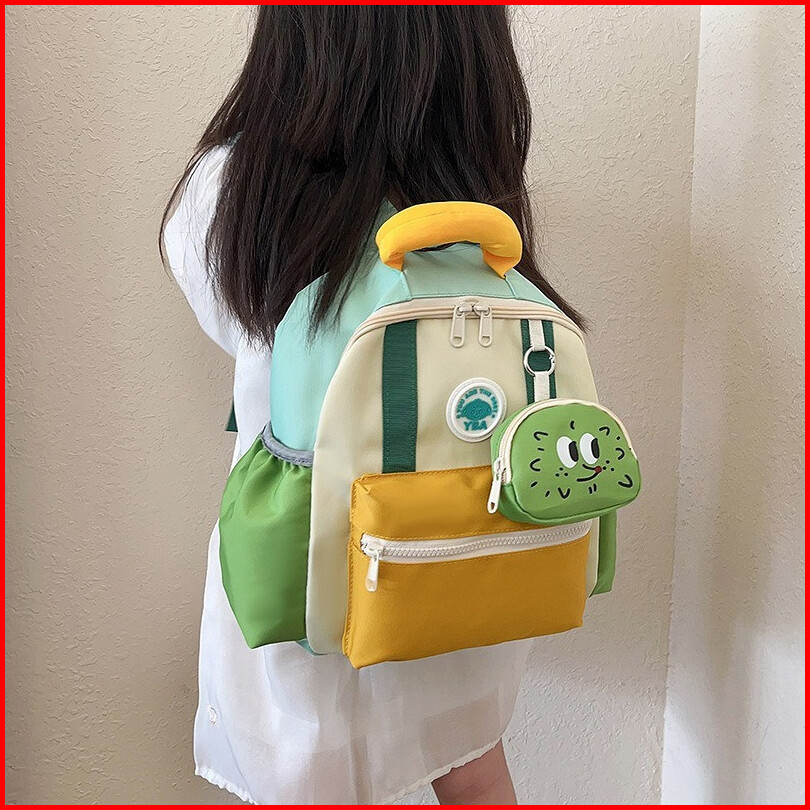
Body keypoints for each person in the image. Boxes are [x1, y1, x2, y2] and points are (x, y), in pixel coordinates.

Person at [161, 7, 583, 805]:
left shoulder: (233, 182)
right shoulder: (473, 186)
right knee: (473, 766)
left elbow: (233, 323)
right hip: (468, 549)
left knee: (308, 773)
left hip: (307, 562)